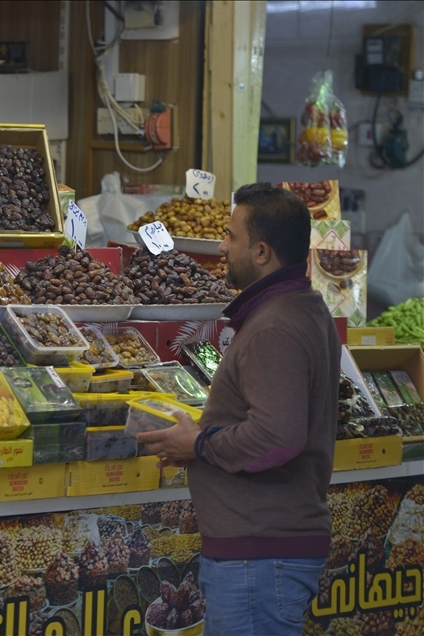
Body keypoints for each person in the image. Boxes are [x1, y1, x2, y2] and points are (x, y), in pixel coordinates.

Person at [137, 183, 340, 635]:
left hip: (261, 557)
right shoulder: (301, 308)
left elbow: (277, 437)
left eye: (231, 236)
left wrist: (198, 444)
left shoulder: (275, 328)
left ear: (262, 251)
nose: (221, 246)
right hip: (264, 554)